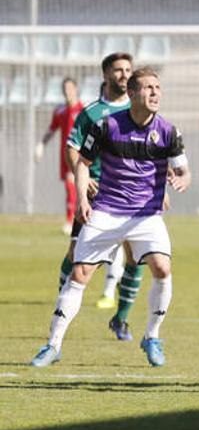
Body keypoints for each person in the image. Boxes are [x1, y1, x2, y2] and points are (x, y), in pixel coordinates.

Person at [31, 67, 190, 369]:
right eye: (148, 88)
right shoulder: (106, 125)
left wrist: (183, 179)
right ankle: (53, 345)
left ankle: (152, 337)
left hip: (146, 215)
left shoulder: (168, 131)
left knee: (162, 267)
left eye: (158, 87)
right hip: (106, 210)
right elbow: (82, 163)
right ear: (132, 94)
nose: (155, 93)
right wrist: (81, 199)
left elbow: (183, 169)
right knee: (80, 275)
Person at [64, 55, 145, 340]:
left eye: (127, 70)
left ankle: (121, 319)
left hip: (133, 195)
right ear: (106, 74)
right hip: (97, 193)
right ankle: (60, 310)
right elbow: (73, 148)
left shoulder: (142, 110)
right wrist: (83, 179)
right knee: (76, 255)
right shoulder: (92, 112)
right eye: (118, 70)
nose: (124, 75)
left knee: (135, 257)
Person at [34, 77, 83, 234]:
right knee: (70, 188)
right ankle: (73, 219)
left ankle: (72, 221)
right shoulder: (60, 111)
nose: (67, 92)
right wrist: (41, 144)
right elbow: (52, 129)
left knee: (74, 186)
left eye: (70, 88)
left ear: (76, 90)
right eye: (65, 89)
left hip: (80, 156)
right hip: (64, 155)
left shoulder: (83, 110)